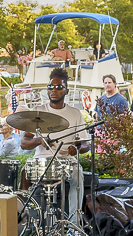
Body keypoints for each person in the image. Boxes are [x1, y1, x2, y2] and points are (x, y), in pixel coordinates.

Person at [20, 68, 88, 221]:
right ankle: (25, 221)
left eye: (58, 87)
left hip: (66, 162)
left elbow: (85, 144)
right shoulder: (38, 111)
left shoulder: (75, 113)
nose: (54, 90)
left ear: (66, 91)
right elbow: (24, 143)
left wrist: (76, 148)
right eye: (51, 87)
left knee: (78, 174)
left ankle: (74, 225)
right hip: (41, 161)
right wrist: (38, 141)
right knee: (25, 171)